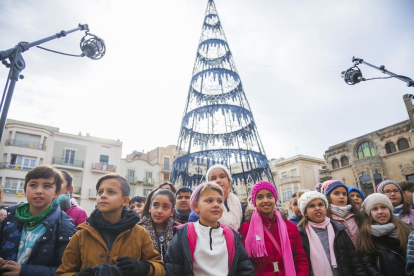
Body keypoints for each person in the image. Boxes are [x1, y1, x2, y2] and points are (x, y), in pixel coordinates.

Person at [55, 174, 165, 276]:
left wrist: (144, 267)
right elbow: (63, 272)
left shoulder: (140, 234)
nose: (103, 196)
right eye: (100, 192)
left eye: (111, 192)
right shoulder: (82, 234)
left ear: (125, 201)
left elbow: (160, 267)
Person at [0, 165, 77, 276]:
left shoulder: (65, 226)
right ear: (25, 191)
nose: (39, 191)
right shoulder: (6, 216)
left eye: (46, 186)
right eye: (33, 185)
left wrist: (25, 271)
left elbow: (66, 270)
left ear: (57, 193)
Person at [164, 182, 254, 276]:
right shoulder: (183, 234)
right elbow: (173, 268)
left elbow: (244, 267)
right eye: (209, 201)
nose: (216, 205)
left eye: (219, 201)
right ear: (196, 206)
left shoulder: (232, 235)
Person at [240, 181, 309, 275]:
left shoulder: (290, 226)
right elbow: (244, 263)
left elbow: (300, 259)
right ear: (254, 201)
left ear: (275, 199)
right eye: (260, 197)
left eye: (269, 196)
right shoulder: (245, 228)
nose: (265, 200)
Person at [298, 191, 366, 276]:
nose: (317, 208)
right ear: (305, 213)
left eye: (320, 204)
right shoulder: (301, 235)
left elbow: (354, 261)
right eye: (312, 206)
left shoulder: (339, 230)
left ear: (326, 208)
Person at [357, 193, 411, 276]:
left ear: (390, 209)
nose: (380, 212)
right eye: (375, 209)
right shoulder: (366, 234)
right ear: (370, 213)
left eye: (383, 207)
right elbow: (367, 263)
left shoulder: (405, 229)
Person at [189, 164, 244, 230]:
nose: (218, 180)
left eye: (222, 177)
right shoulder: (198, 213)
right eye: (213, 178)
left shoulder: (240, 206)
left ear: (229, 182)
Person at [138, 189, 180, 261]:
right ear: (150, 208)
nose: (159, 211)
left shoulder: (179, 230)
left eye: (165, 207)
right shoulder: (138, 230)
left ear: (172, 212)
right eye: (156, 205)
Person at [321, 180, 364, 246]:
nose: (342, 197)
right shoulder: (325, 219)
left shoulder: (356, 215)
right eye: (336, 193)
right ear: (328, 197)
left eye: (344, 194)